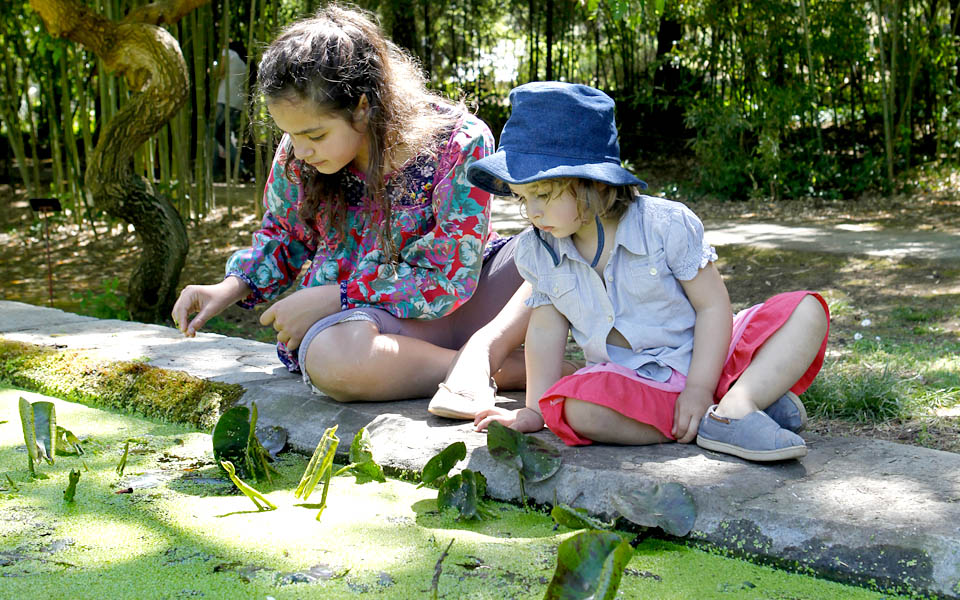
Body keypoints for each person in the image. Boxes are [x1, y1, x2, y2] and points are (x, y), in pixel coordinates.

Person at [171, 5, 528, 402]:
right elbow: (284, 233)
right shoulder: (299, 152)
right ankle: (485, 367)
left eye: (316, 135)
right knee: (334, 359)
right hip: (381, 325)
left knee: (555, 244)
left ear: (362, 106)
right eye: (289, 134)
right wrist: (230, 288)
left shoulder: (458, 140)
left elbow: (451, 275)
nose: (301, 150)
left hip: (471, 298)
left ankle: (472, 361)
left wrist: (337, 295)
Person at [467, 82, 830, 462]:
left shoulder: (664, 224)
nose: (533, 212)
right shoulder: (539, 250)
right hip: (633, 380)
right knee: (576, 408)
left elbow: (712, 307)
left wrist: (700, 387)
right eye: (523, 198)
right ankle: (717, 414)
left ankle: (735, 406)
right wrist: (535, 410)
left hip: (706, 355)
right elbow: (544, 330)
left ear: (591, 182)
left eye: (542, 194)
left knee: (807, 309)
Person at [214, 41, 249, 180]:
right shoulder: (243, 63)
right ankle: (242, 169)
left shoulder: (228, 53)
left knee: (208, 134)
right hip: (237, 103)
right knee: (224, 137)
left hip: (223, 99)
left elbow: (219, 72)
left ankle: (214, 172)